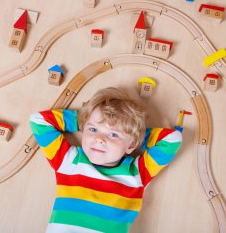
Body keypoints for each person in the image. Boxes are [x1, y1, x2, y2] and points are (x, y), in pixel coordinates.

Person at [30, 87, 182, 233]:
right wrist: (85, 119)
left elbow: (172, 139)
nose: (99, 139)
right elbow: (39, 121)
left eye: (113, 134)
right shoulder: (69, 161)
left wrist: (134, 136)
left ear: (132, 144)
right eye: (93, 130)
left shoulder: (137, 174)